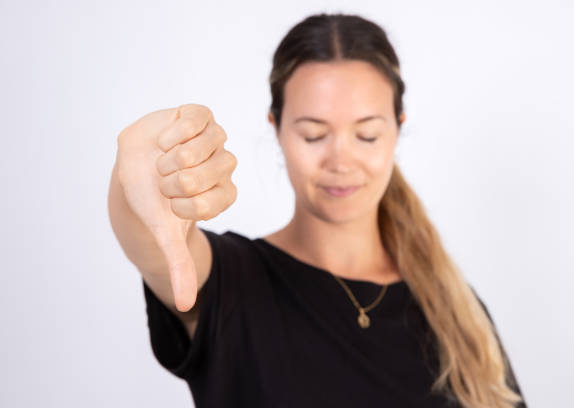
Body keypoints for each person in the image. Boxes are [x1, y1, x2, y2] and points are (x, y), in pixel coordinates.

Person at [108, 12, 527, 408]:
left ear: (397, 128)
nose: (341, 161)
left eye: (366, 135)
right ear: (277, 128)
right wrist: (145, 176)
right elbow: (149, 235)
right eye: (313, 135)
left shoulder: (455, 309)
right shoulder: (232, 285)